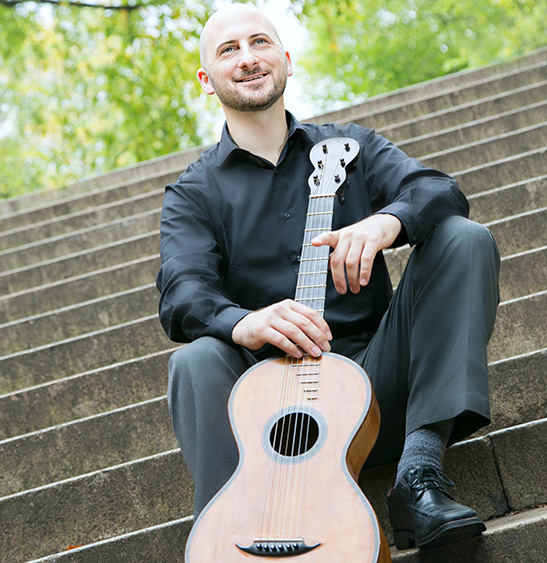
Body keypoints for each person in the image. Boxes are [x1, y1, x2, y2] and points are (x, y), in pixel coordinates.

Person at [156, 2, 500, 551]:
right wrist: (244, 322)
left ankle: (419, 472)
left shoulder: (350, 146)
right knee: (194, 358)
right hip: (274, 424)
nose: (247, 59)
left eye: (260, 42)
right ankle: (234, 535)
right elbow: (182, 292)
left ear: (287, 61)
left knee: (463, 236)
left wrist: (389, 221)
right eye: (228, 50)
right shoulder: (193, 193)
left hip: (380, 389)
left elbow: (438, 190)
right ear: (206, 80)